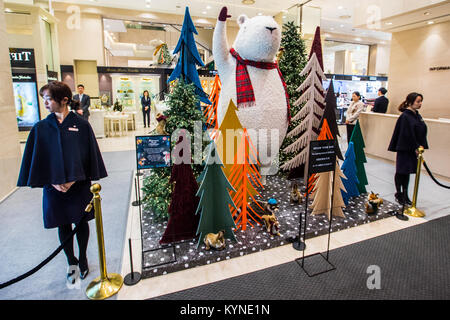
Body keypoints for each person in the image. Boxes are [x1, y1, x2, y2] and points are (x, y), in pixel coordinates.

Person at [17, 81, 107, 284]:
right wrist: (53, 181)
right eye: (44, 99)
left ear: (64, 100)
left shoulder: (81, 125)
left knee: (81, 222)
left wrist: (75, 178)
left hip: (79, 185)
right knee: (62, 224)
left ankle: (83, 258)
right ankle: (71, 261)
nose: (46, 103)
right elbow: (39, 159)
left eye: (49, 98)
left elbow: (88, 155)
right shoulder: (41, 128)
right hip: (54, 188)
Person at [388, 92, 428, 205]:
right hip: (405, 149)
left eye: (421, 101)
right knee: (401, 171)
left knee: (407, 172)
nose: (420, 104)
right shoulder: (405, 116)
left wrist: (420, 145)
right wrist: (415, 146)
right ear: (410, 102)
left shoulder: (417, 115)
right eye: (418, 101)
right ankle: (399, 193)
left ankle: (405, 194)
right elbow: (406, 134)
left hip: (413, 149)